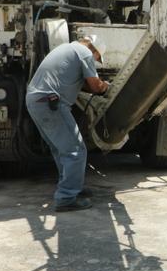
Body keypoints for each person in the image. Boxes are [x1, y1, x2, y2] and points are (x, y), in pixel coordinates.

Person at [26, 34, 107, 212]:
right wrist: (105, 86)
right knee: (76, 150)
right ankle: (66, 197)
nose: (96, 61)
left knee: (61, 149)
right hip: (50, 103)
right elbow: (95, 86)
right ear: (94, 49)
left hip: (35, 101)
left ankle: (72, 185)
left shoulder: (67, 48)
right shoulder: (84, 53)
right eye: (98, 58)